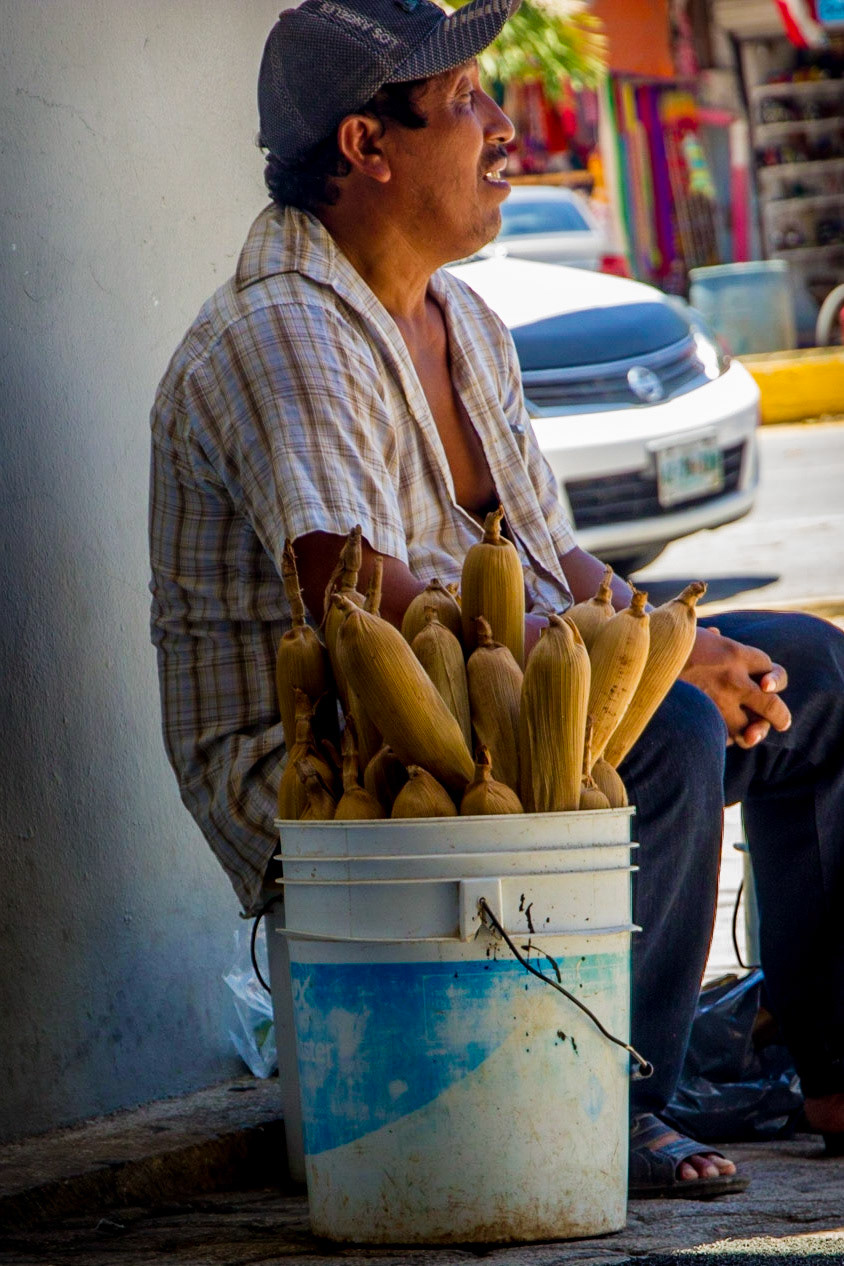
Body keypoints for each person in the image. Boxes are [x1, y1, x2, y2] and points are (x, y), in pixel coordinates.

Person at [149, 0, 844, 1201]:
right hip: (336, 765)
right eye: (465, 98)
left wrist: (691, 641)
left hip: (493, 703)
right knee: (665, 735)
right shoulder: (284, 330)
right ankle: (614, 1103)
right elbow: (356, 596)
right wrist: (658, 678)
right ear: (368, 147)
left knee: (815, 679)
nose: (502, 125)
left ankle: (827, 1062)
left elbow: (553, 558)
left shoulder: (460, 317)